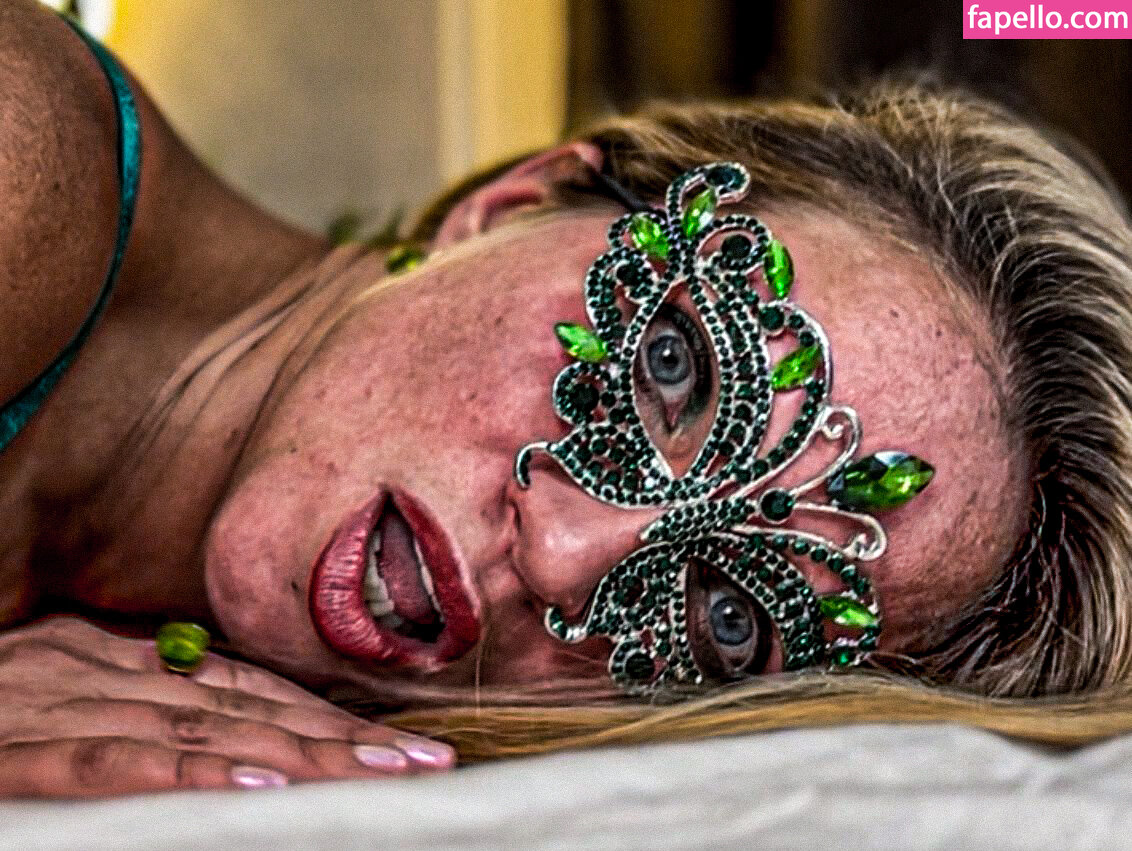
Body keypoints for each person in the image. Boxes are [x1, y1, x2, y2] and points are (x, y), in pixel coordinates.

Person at [2, 0, 1132, 798]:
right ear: (522, 199)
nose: (565, 553)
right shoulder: (23, 165)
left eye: (725, 619)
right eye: (672, 368)